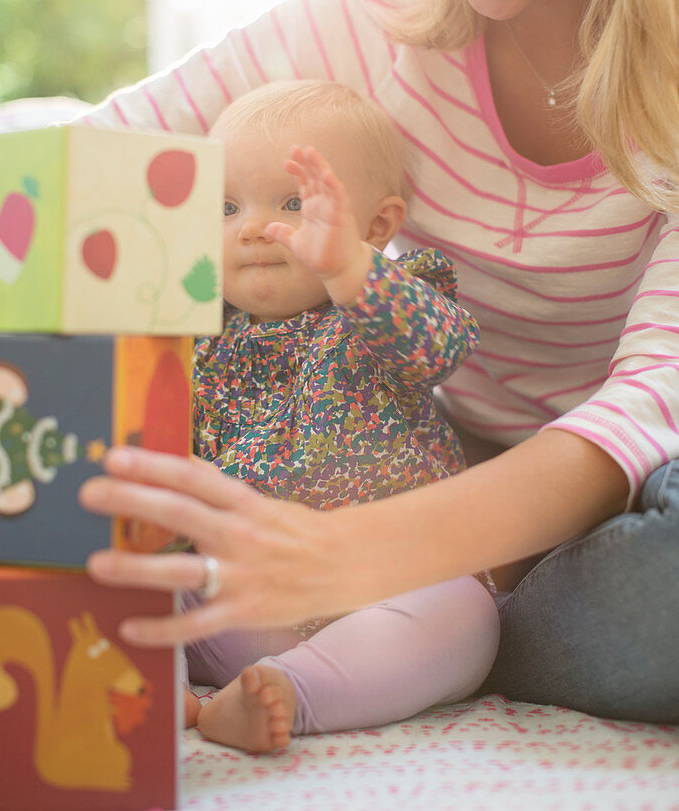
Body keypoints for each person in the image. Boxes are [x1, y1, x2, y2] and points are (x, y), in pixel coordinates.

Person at [79, 0, 679, 724]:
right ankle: (418, 634)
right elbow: (101, 155)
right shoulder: (370, 14)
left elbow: (644, 408)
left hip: (607, 503)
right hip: (403, 468)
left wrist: (345, 555)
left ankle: (442, 624)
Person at [176, 80, 497, 752]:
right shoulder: (197, 342)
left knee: (466, 615)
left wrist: (350, 270)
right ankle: (161, 686)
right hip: (248, 599)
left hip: (383, 587)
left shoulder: (380, 308)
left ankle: (289, 692)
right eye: (226, 206)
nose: (255, 227)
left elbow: (443, 347)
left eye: (293, 204)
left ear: (376, 227)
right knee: (148, 580)